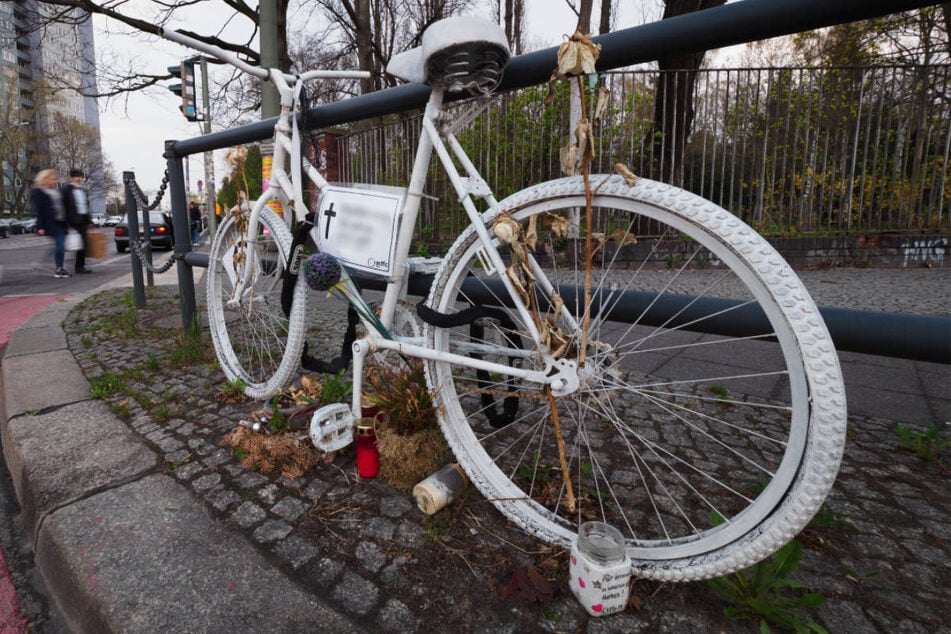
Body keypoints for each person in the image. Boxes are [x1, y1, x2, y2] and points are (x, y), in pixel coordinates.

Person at [32, 169, 71, 279]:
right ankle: (56, 268)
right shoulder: (39, 192)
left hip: (61, 222)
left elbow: (61, 207)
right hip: (51, 223)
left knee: (60, 246)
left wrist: (67, 221)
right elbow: (39, 210)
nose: (55, 180)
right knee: (60, 246)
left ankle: (58, 267)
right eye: (52, 178)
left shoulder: (55, 191)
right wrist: (40, 226)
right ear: (45, 179)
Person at [62, 168, 93, 274]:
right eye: (76, 176)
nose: (78, 178)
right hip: (72, 221)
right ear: (71, 177)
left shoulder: (83, 190)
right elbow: (63, 206)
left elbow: (85, 205)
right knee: (67, 245)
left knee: (83, 244)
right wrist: (66, 222)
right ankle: (60, 266)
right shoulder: (66, 189)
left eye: (80, 176)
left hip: (82, 220)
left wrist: (89, 221)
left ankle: (80, 267)